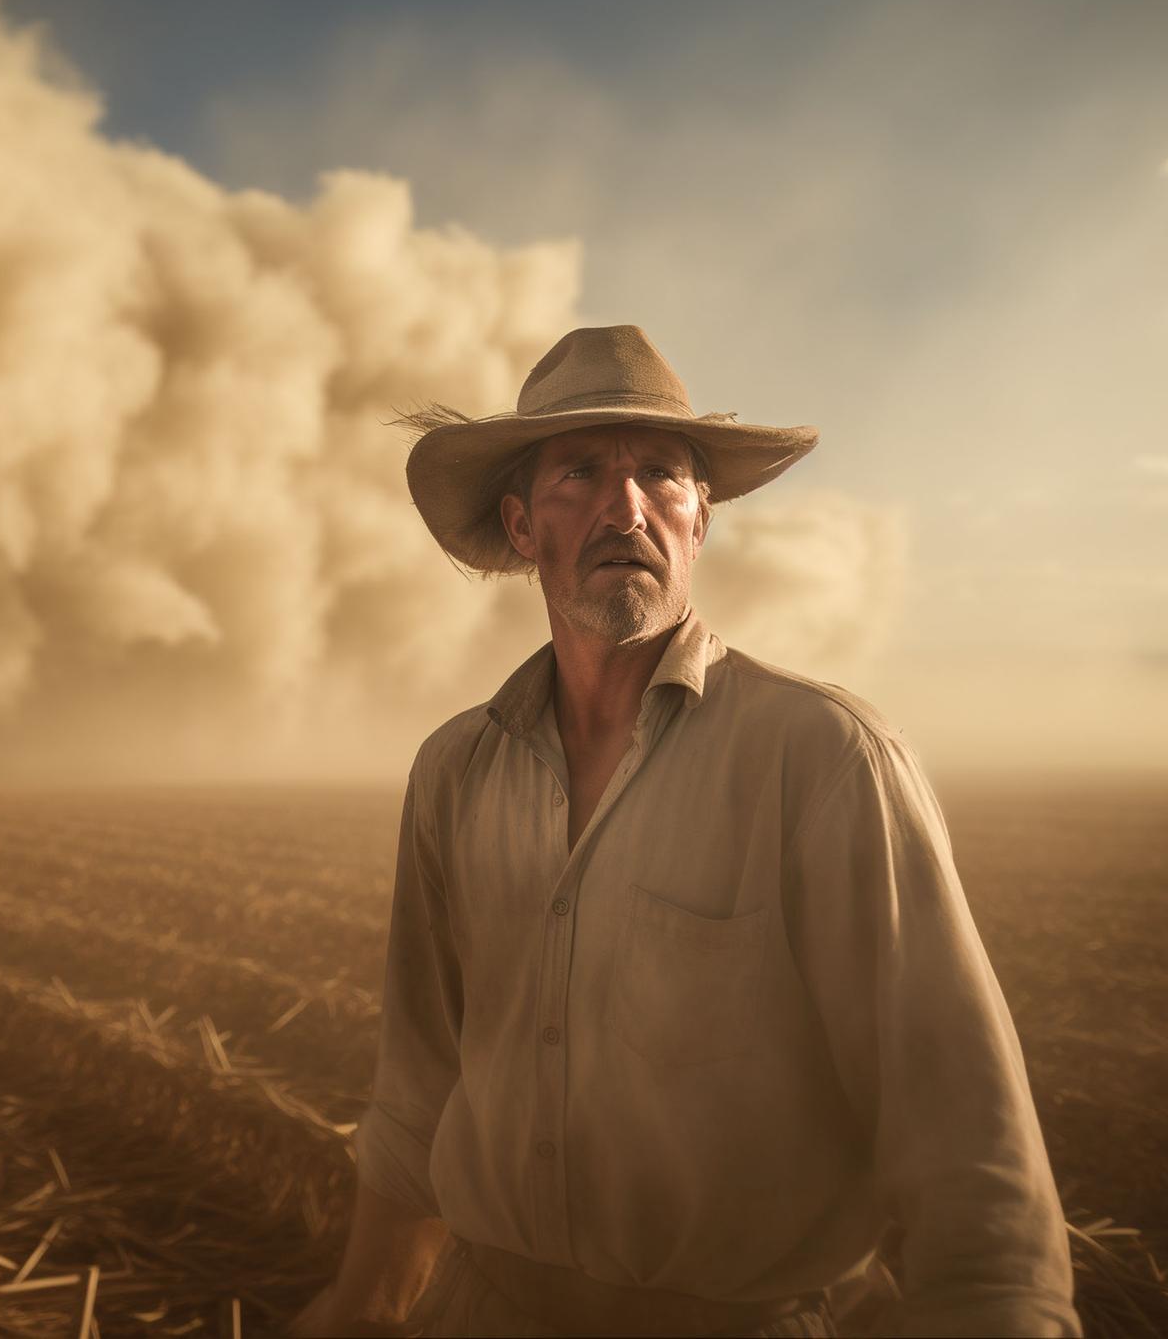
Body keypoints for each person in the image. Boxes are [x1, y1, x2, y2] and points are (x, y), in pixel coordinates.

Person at [286, 325, 1081, 1337]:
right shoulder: (456, 772)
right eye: (582, 472)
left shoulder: (825, 758)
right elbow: (420, 1088)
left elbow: (972, 1165)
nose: (628, 507)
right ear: (524, 527)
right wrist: (363, 1305)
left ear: (700, 521)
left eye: (662, 475)